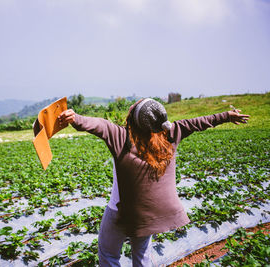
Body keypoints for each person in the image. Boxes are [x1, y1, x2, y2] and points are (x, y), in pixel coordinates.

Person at [58, 98, 250, 267]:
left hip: (120, 212)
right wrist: (226, 116)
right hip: (148, 216)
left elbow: (99, 125)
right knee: (142, 256)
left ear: (134, 120)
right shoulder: (170, 134)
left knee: (108, 254)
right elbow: (198, 123)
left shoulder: (122, 137)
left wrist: (75, 118)